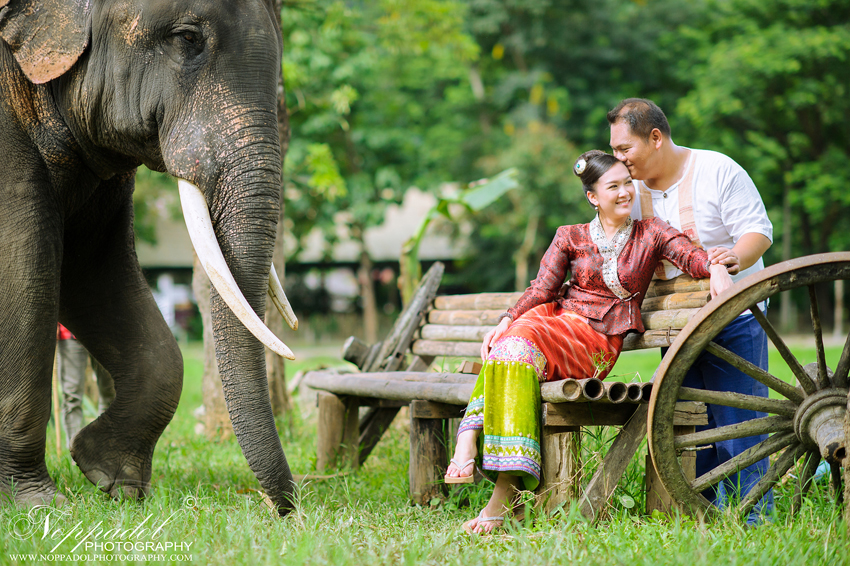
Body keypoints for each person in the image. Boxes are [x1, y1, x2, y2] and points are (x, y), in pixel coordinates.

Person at [444, 150, 734, 534]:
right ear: (593, 197)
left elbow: (690, 257)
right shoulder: (570, 236)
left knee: (515, 347)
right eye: (613, 186)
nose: (625, 192)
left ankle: (482, 461)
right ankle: (493, 481)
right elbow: (542, 288)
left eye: (627, 183)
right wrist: (506, 319)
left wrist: (715, 266)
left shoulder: (652, 232)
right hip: (554, 321)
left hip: (594, 340)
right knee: (510, 344)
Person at [607, 98, 774, 522]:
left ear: (656, 138)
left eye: (624, 150)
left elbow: (759, 231)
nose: (619, 161)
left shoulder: (717, 170)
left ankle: (754, 520)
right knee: (689, 426)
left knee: (740, 421)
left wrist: (730, 260)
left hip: (731, 316)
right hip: (675, 325)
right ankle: (702, 515)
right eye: (614, 152)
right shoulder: (630, 191)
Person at [56, 324, 115, 450]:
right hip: (68, 334)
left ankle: (105, 449)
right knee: (71, 397)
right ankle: (77, 453)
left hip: (103, 331)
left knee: (110, 393)